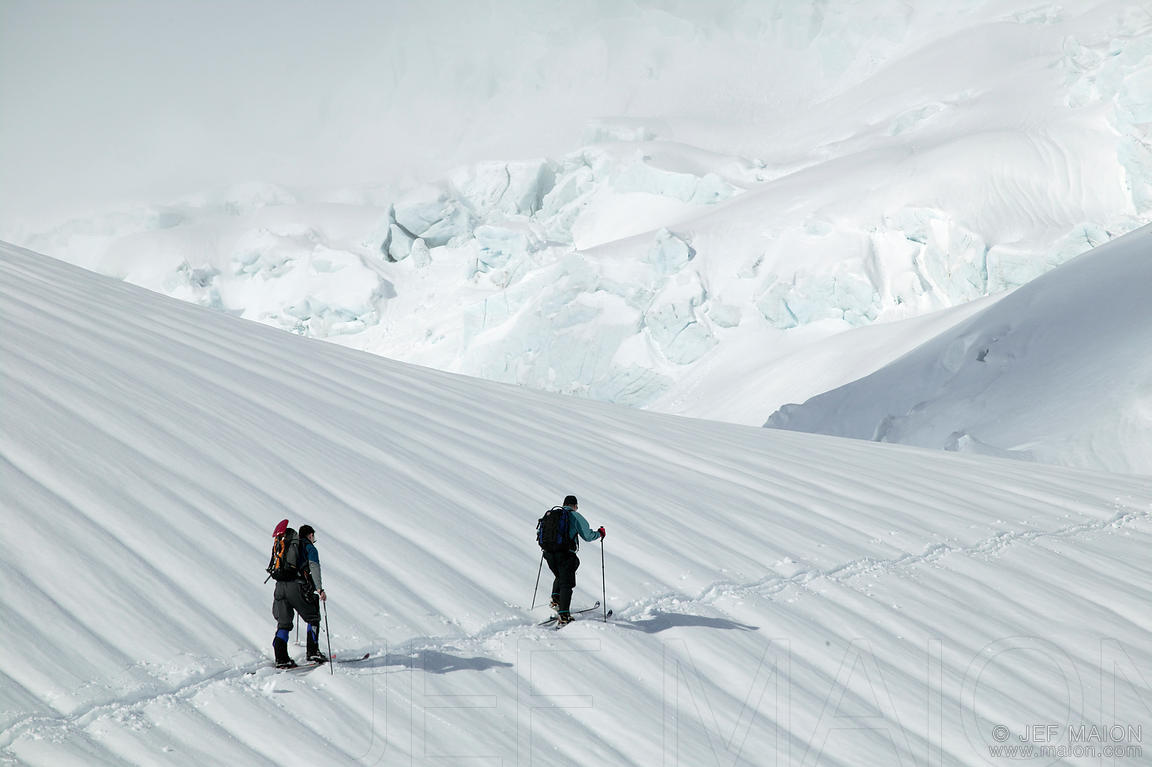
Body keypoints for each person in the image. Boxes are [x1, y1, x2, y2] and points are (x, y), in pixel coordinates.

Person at [272, 524, 327, 667]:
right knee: (313, 616)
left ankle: (281, 659)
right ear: (310, 535)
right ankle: (313, 652)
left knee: (284, 623)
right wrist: (319, 589)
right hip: (296, 587)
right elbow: (314, 567)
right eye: (313, 536)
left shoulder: (287, 545)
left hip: (279, 586)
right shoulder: (309, 548)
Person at [544, 495, 605, 626]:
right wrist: (600, 533)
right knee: (566, 583)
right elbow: (587, 536)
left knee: (561, 575)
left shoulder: (552, 515)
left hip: (548, 554)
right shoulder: (574, 516)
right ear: (574, 505)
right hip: (565, 554)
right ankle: (564, 616)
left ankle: (556, 600)